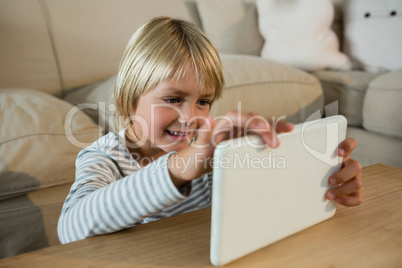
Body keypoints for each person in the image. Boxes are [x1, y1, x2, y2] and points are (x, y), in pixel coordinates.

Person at [57, 16, 363, 244]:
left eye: (203, 101)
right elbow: (70, 228)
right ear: (127, 99)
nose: (190, 117)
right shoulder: (104, 158)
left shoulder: (216, 153)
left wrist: (320, 178)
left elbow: (262, 206)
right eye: (173, 99)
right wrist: (179, 169)